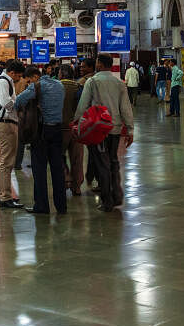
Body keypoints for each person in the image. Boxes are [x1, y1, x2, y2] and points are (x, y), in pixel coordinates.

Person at [74, 54, 135, 212]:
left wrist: (76, 122)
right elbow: (126, 108)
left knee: (102, 164)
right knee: (114, 161)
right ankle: (117, 195)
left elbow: (83, 105)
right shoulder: (119, 83)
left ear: (99, 64)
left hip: (98, 129)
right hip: (114, 129)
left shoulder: (92, 81)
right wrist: (130, 129)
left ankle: (107, 200)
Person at [16, 65, 67, 215]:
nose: (29, 83)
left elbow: (19, 101)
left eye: (28, 80)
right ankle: (61, 206)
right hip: (58, 130)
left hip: (42, 131)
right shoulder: (60, 85)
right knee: (58, 170)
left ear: (33, 77)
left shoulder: (38, 86)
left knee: (39, 170)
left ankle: (42, 206)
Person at [0, 60, 25, 209]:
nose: (20, 79)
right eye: (19, 76)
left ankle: (6, 195)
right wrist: (18, 101)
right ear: (13, 73)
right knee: (6, 161)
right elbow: (6, 103)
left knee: (9, 161)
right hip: (5, 123)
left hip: (9, 123)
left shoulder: (7, 81)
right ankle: (4, 197)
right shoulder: (3, 82)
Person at [58, 64, 85, 196]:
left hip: (60, 128)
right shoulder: (79, 88)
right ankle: (77, 186)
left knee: (59, 156)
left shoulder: (56, 87)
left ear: (61, 74)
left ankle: (65, 179)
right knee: (77, 158)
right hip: (76, 128)